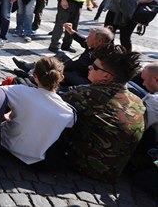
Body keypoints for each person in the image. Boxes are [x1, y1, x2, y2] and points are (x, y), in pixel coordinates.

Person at [60, 45, 145, 183]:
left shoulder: (88, 95)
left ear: (106, 76)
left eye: (94, 66)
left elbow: (51, 101)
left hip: (86, 165)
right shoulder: (138, 101)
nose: (89, 67)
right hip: (114, 170)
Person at [0, 57, 75, 167]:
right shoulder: (68, 112)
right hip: (34, 158)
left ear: (34, 76)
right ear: (61, 78)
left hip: (5, 143)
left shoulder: (20, 91)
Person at [13, 25, 114, 87]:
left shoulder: (100, 54)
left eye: (90, 36)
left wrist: (58, 66)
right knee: (60, 55)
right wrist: (72, 32)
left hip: (84, 79)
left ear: (99, 41)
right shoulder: (97, 45)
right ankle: (32, 67)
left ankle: (33, 78)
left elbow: (77, 66)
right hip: (78, 69)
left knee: (58, 71)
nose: (87, 38)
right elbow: (84, 41)